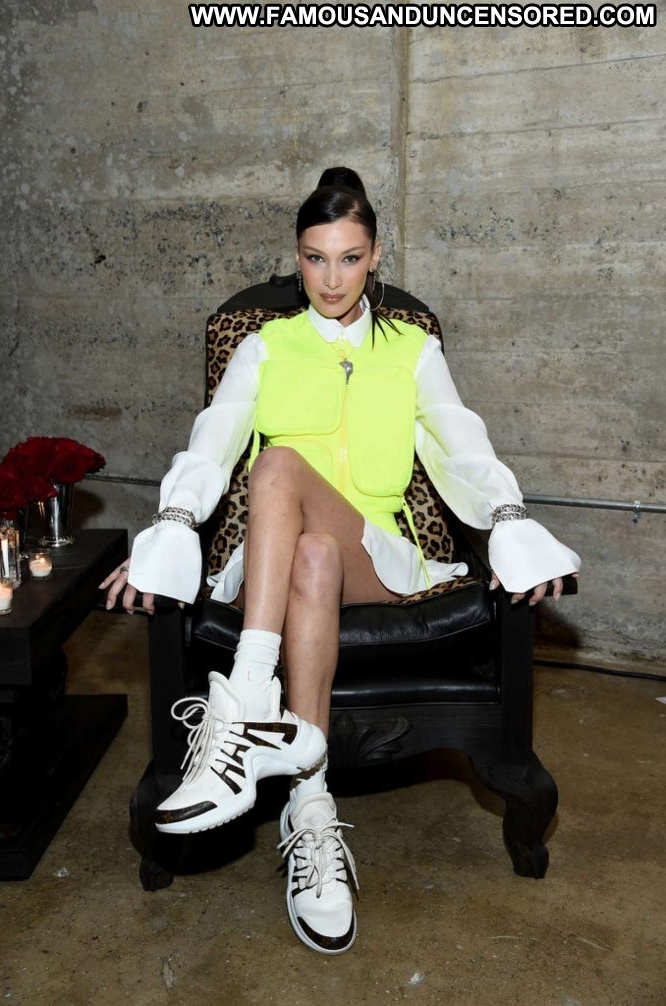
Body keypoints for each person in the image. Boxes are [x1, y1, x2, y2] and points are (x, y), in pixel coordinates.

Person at [101, 167, 580, 956]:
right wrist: (174, 527)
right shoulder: (264, 347)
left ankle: (246, 705)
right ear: (298, 258)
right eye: (316, 259)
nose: (332, 279)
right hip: (276, 562)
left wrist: (509, 523)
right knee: (308, 547)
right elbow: (212, 444)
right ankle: (312, 810)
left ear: (375, 256)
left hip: (378, 555)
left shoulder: (413, 350)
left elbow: (463, 446)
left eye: (350, 259)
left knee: (285, 474)